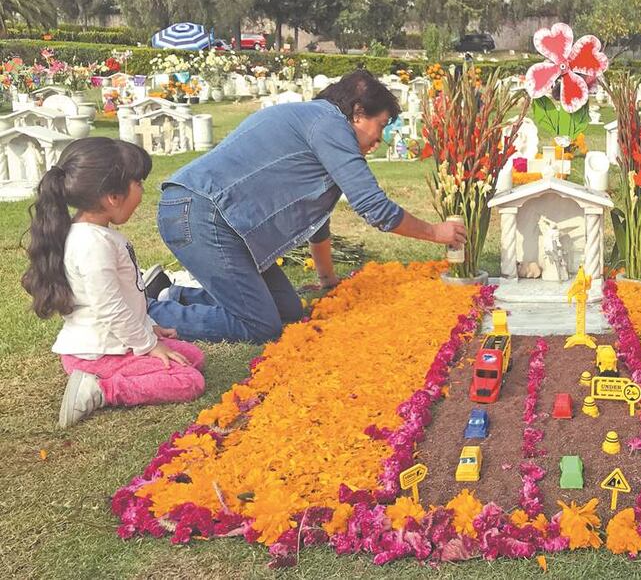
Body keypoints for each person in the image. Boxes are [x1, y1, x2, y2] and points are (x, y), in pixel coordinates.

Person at [150, 69, 466, 344]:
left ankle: (173, 295)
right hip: (201, 215)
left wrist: (328, 279)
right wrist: (436, 232)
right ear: (357, 113)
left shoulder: (316, 123)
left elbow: (316, 223)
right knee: (261, 326)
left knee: (287, 310)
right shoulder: (329, 124)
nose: (379, 139)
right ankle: (148, 312)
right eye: (380, 125)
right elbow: (374, 208)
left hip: (217, 220)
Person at [21, 138, 205, 428]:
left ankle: (107, 375)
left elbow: (123, 296)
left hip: (109, 344)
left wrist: (149, 329)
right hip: (95, 356)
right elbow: (109, 307)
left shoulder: (95, 235)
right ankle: (99, 390)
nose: (143, 192)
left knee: (192, 356)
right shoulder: (92, 244)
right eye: (139, 184)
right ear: (113, 197)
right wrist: (147, 344)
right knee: (188, 380)